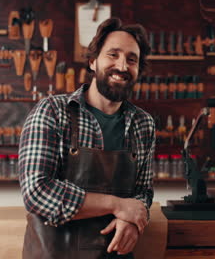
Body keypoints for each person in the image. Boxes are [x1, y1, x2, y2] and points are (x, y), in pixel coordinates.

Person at [19, 17, 155, 259]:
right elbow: (37, 192)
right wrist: (118, 205)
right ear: (93, 61)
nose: (122, 66)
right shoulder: (52, 111)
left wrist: (134, 221)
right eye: (113, 54)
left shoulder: (143, 124)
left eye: (131, 59)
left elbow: (142, 192)